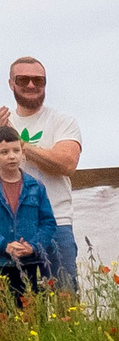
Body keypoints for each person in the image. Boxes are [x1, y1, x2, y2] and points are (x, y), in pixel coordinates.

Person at [8, 56, 80, 295]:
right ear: (11, 83)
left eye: (38, 80)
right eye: (23, 79)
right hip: (9, 226)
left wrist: (18, 143)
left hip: (56, 222)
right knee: (13, 306)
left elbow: (67, 163)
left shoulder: (62, 121)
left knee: (65, 300)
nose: (31, 85)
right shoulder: (2, 123)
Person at [0, 127, 60, 298]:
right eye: (4, 152)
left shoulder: (36, 187)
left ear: (23, 151)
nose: (11, 156)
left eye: (15, 150)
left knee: (34, 314)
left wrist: (32, 246)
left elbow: (48, 224)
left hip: (32, 264)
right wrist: (5, 245)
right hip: (2, 264)